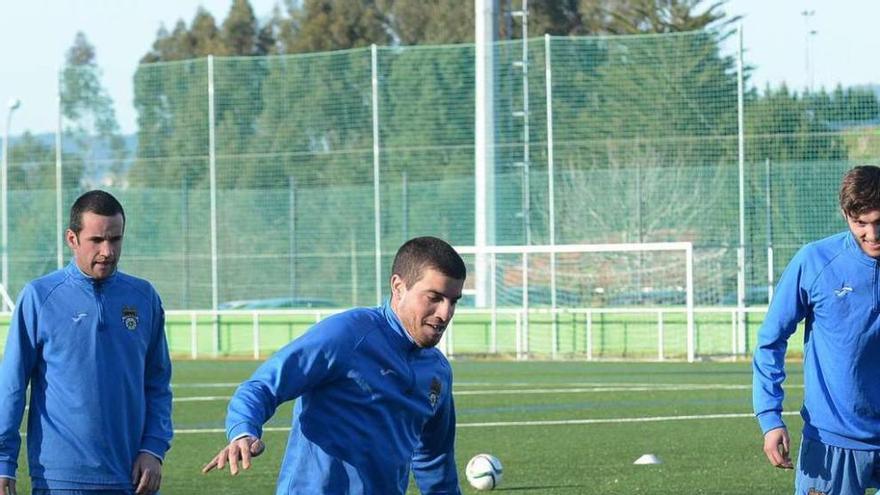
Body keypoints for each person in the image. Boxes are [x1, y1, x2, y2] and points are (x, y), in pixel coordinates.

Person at [203, 236, 465, 494]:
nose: (445, 313)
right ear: (398, 287)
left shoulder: (437, 372)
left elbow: (434, 459)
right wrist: (243, 431)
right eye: (434, 297)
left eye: (453, 301)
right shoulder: (348, 335)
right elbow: (263, 386)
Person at [0, 190, 173, 495]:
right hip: (61, 480)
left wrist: (154, 448)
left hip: (133, 476)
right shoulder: (40, 297)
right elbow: (12, 386)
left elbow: (157, 383)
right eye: (96, 240)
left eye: (115, 239)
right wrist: (3, 461)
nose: (107, 251)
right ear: (72, 239)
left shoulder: (143, 297)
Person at [753, 165, 880, 494]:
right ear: (845, 214)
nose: (873, 235)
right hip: (832, 441)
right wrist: (770, 418)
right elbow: (771, 340)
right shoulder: (815, 261)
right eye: (861, 223)